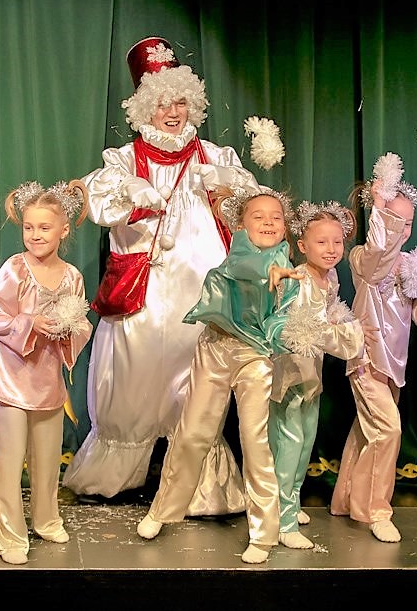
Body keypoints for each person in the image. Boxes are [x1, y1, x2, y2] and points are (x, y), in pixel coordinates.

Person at [63, 37, 258, 514]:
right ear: (143, 108)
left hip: (203, 298)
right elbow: (93, 197)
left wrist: (230, 191)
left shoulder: (216, 157)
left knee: (198, 384)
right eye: (162, 103)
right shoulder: (123, 160)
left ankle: (200, 486)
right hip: (143, 297)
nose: (172, 112)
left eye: (180, 102)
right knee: (133, 379)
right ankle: (115, 475)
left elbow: (255, 216)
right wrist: (132, 192)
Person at [136, 187, 301, 564]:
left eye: (275, 217)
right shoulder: (240, 253)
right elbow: (240, 269)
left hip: (254, 357)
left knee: (255, 442)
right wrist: (268, 271)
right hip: (215, 348)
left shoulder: (287, 266)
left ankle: (264, 533)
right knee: (192, 432)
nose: (268, 223)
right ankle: (162, 510)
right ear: (241, 225)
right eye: (258, 216)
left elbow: (282, 318)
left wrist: (282, 329)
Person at [0, 180, 93, 566]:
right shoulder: (15, 268)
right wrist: (30, 322)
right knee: (10, 461)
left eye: (44, 227)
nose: (35, 235)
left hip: (46, 380)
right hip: (10, 378)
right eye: (29, 227)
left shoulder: (72, 277)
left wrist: (67, 329)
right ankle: (10, 534)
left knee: (46, 457)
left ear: (63, 230)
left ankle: (46, 518)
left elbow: (81, 323)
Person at [329, 175, 417, 543]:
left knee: (367, 431)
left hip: (394, 366)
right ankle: (375, 510)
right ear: (379, 219)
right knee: (387, 430)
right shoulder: (363, 257)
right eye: (394, 220)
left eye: (407, 222)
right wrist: (380, 206)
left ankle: (345, 499)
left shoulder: (410, 263)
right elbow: (379, 254)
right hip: (366, 359)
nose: (402, 229)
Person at [270, 201, 366, 550]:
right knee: (288, 442)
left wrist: (340, 324)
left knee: (306, 439)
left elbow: (328, 315)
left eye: (337, 242)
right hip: (292, 371)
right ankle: (280, 519)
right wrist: (347, 336)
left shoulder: (330, 278)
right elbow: (298, 327)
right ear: (302, 246)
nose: (331, 249)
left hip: (313, 370)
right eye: (322, 242)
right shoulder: (298, 280)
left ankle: (291, 502)